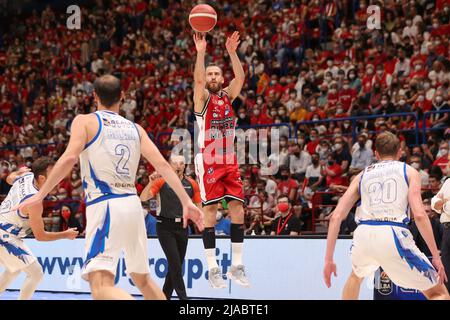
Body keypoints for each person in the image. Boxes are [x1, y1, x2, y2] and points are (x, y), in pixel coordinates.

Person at [16, 75, 204, 300]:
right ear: (122, 97)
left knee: (101, 286)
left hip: (105, 205)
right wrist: (186, 201)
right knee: (143, 279)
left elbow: (68, 159)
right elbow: (163, 165)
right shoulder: (136, 128)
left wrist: (40, 196)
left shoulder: (85, 121)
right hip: (133, 206)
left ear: (94, 96)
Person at [323, 131, 449, 300]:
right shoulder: (409, 171)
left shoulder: (362, 175)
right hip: (392, 232)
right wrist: (435, 256)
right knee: (438, 293)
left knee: (356, 276)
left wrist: (328, 259)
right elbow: (419, 215)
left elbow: (336, 216)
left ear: (376, 154)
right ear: (400, 152)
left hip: (363, 233)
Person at [192, 32, 250, 288]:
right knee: (211, 212)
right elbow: (197, 79)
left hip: (229, 157)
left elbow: (241, 78)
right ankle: (213, 267)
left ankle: (237, 266)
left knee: (238, 209)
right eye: (210, 74)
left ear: (222, 78)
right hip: (208, 158)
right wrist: (201, 53)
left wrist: (232, 52)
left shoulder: (227, 95)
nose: (213, 77)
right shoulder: (202, 98)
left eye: (217, 74)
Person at [0, 158, 78, 300]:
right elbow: (40, 236)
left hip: (5, 231)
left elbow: (10, 178)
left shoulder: (28, 176)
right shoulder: (34, 202)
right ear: (42, 178)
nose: (57, 178)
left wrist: (19, 172)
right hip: (4, 235)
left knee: (14, 270)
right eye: (53, 175)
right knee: (36, 273)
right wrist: (65, 234)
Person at [140, 155, 201, 300]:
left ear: (185, 166)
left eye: (181, 163)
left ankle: (164, 296)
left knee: (176, 265)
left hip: (183, 226)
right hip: (164, 226)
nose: (179, 166)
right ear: (170, 165)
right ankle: (183, 298)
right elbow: (143, 198)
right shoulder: (161, 181)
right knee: (175, 263)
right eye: (175, 163)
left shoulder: (192, 183)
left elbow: (198, 205)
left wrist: (200, 218)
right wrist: (150, 183)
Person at [431, 177, 450, 293]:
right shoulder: (448, 182)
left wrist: (443, 204)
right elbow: (434, 203)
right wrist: (445, 203)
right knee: (446, 274)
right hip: (447, 230)